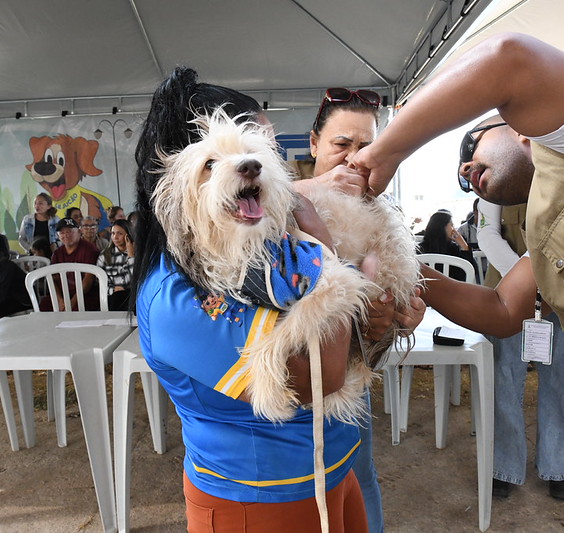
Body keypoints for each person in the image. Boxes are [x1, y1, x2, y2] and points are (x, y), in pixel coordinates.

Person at [353, 32, 564, 531]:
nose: (466, 170)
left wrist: (382, 154)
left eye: (473, 145)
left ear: (520, 123)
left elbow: (510, 59)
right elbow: (504, 312)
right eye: (462, 174)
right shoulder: (549, 221)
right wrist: (406, 270)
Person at [132, 67, 397, 533]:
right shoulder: (172, 297)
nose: (259, 167)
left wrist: (382, 321)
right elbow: (323, 377)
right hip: (260, 501)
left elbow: (355, 345)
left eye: (265, 152)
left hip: (337, 468)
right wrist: (325, 248)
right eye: (216, 161)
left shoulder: (274, 248)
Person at [294, 86, 426, 533]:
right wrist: (310, 188)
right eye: (341, 144)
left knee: (358, 473)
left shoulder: (381, 216)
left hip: (349, 384)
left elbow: (390, 308)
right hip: (285, 383)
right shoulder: (271, 199)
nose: (353, 158)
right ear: (313, 144)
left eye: (366, 146)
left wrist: (396, 320)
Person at [477, 198, 564, 500]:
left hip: (563, 296)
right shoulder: (498, 167)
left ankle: (559, 467)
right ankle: (503, 468)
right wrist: (528, 281)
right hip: (504, 295)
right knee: (503, 380)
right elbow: (487, 233)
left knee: (563, 381)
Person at [48, 218, 100, 311]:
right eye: (62, 233)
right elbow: (52, 279)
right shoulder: (57, 253)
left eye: (69, 232)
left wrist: (72, 302)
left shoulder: (89, 250)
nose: (66, 235)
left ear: (79, 232)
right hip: (64, 295)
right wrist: (60, 300)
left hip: (84, 295)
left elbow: (88, 279)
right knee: (45, 304)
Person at [417, 209, 478, 282]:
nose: (454, 229)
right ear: (442, 227)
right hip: (455, 292)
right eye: (452, 225)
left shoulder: (419, 249)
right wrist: (463, 245)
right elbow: (472, 272)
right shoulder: (454, 250)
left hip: (426, 292)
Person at [96, 219, 134, 311]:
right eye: (113, 233)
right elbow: (99, 281)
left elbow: (135, 278)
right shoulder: (104, 255)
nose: (115, 237)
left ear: (128, 235)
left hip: (133, 296)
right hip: (113, 297)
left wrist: (131, 256)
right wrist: (112, 289)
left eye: (119, 234)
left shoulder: (138, 253)